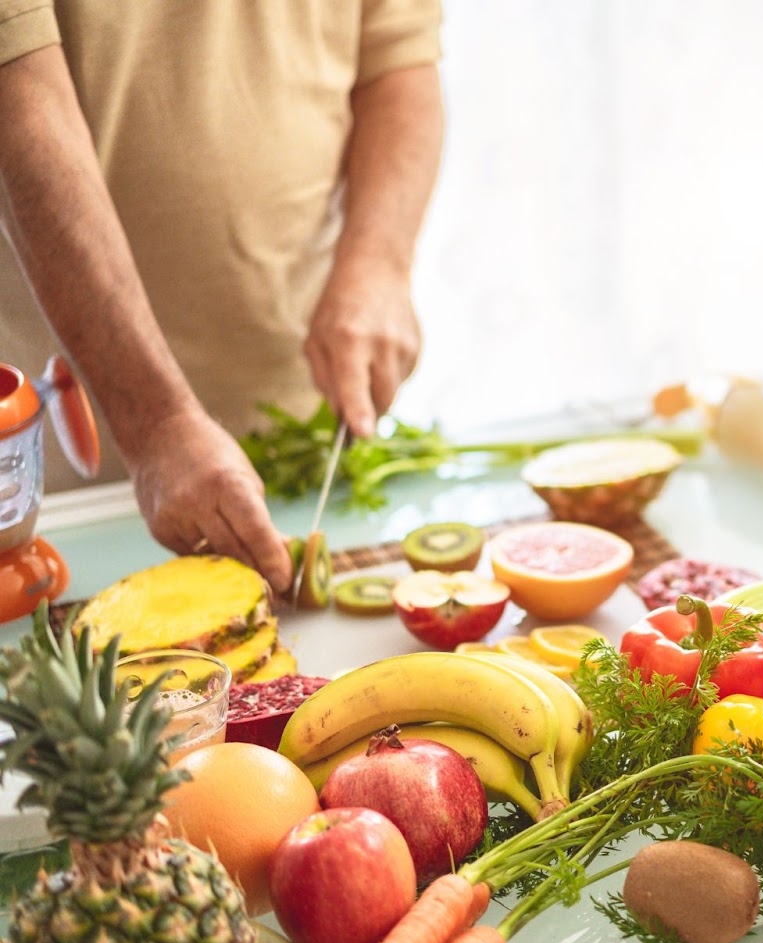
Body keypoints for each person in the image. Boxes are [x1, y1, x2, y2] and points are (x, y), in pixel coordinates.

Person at [0, 1, 444, 594]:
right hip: (73, 471)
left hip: (307, 423)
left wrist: (378, 265)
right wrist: (155, 423)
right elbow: (19, 97)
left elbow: (399, 57)